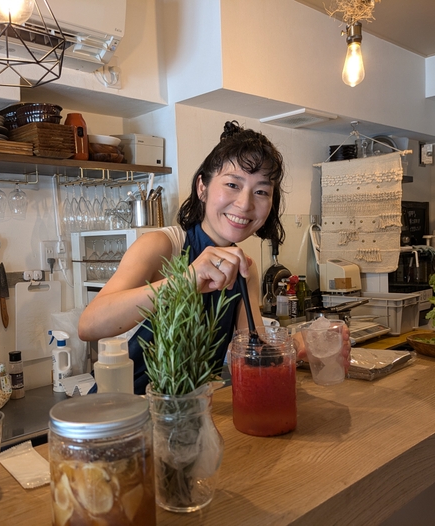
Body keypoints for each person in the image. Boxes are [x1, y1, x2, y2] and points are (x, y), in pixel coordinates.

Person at [78, 120, 350, 393]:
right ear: (202, 187)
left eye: (261, 191)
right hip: (121, 410)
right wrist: (185, 281)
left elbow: (253, 353)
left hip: (191, 410)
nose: (245, 203)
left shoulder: (244, 269)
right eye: (232, 184)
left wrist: (299, 345)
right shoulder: (162, 246)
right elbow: (89, 325)